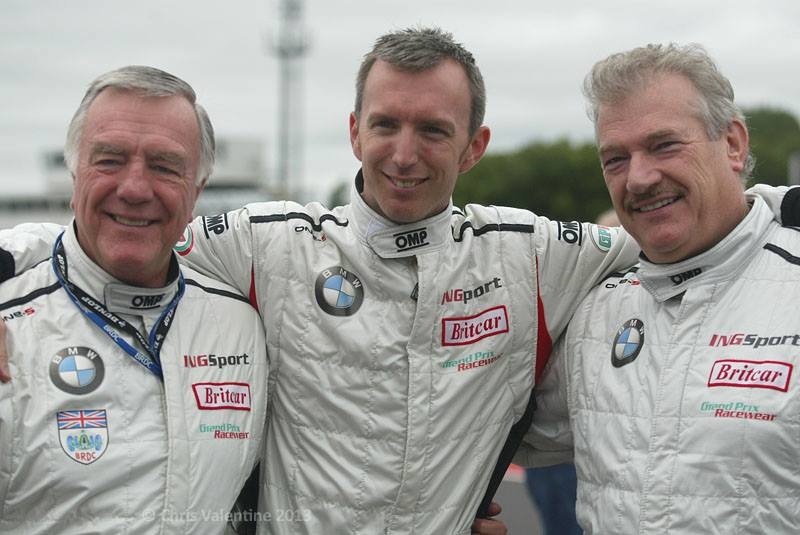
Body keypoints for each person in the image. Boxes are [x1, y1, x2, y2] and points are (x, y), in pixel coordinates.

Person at [0, 30, 789, 534]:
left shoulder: (534, 255)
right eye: (385, 124)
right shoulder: (264, 245)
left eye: (433, 130)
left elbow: (683, 233)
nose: (404, 153)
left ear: (474, 145)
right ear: (355, 131)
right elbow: (120, 233)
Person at [515, 43, 800, 534]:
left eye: (664, 145)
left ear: (733, 144)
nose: (639, 179)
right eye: (615, 159)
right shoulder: (593, 312)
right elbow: (466, 432)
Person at [0, 66, 268, 533]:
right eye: (110, 160)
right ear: (74, 175)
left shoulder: (243, 326)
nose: (135, 189)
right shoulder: (11, 319)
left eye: (164, 166)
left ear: (197, 191)